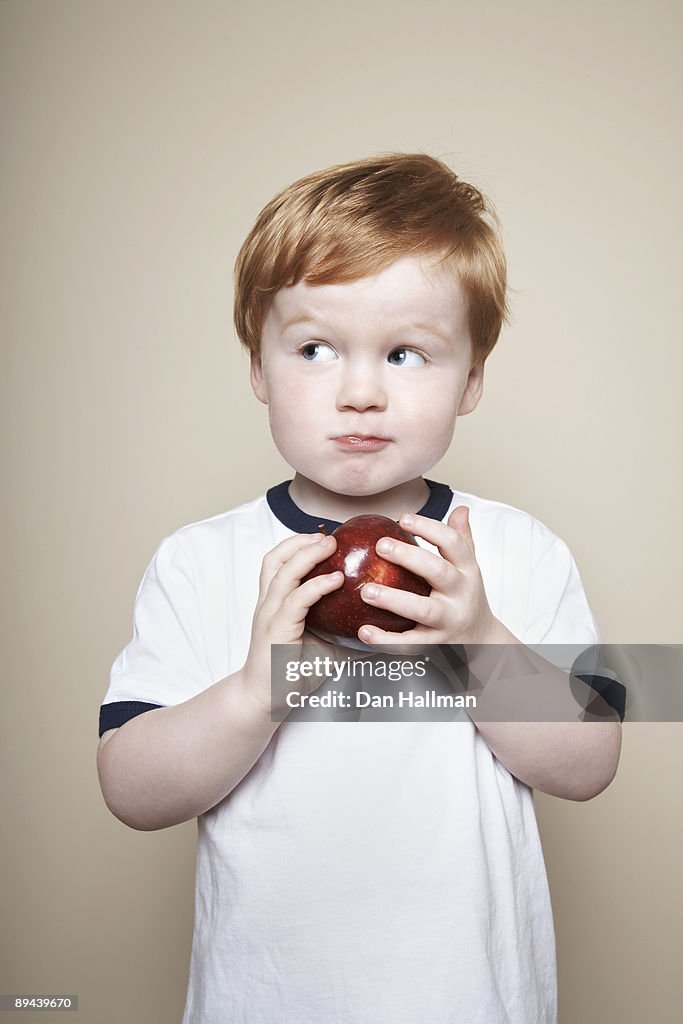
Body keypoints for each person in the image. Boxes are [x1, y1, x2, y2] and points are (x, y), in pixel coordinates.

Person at [97, 153, 624, 1024]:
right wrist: (255, 687)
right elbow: (130, 789)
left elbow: (590, 763)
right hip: (261, 1003)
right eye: (313, 349)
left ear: (472, 380)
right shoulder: (200, 562)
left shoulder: (512, 552)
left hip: (468, 999)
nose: (360, 392)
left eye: (407, 353)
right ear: (259, 369)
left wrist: (478, 639)